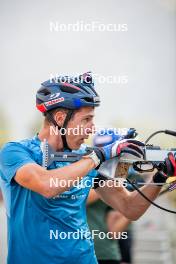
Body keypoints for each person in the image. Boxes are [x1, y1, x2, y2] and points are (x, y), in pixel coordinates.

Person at [0, 72, 175, 264]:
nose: (92, 128)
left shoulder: (87, 157)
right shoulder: (16, 152)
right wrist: (98, 156)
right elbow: (47, 185)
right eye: (86, 119)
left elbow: (129, 208)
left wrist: (160, 177)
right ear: (60, 118)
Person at [87, 128, 135, 264]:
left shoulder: (124, 171)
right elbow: (83, 198)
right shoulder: (86, 169)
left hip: (108, 251)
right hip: (83, 250)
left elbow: (115, 229)